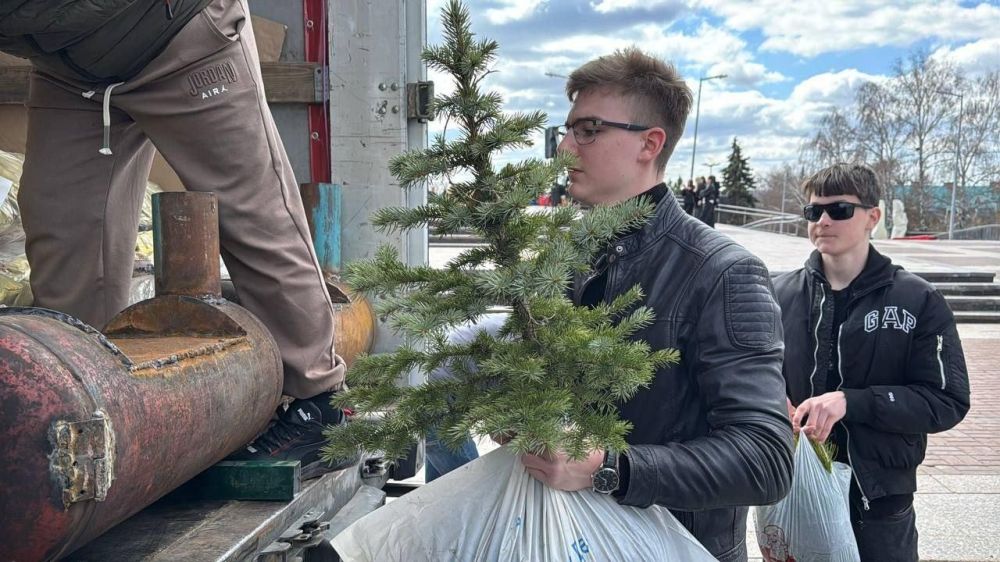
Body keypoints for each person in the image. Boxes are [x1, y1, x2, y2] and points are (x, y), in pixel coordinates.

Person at [0, 0, 351, 478]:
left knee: (253, 213)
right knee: (59, 224)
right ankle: (84, 407)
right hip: (71, 69)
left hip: (182, 37)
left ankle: (321, 405)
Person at [518, 48, 793, 561]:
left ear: (650, 143)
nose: (565, 151)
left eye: (589, 130)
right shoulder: (569, 261)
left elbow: (765, 459)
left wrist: (607, 467)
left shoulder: (723, 272)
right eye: (567, 130)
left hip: (678, 548)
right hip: (573, 540)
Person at [773, 163, 970, 562]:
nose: (823, 221)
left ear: (872, 217)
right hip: (794, 489)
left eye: (839, 210)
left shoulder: (918, 299)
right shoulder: (779, 294)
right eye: (814, 212)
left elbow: (947, 400)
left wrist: (851, 401)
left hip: (878, 498)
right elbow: (755, 375)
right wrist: (774, 401)